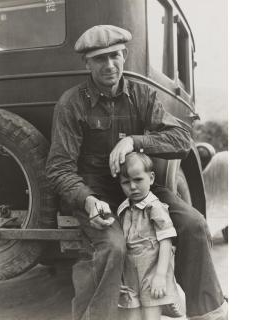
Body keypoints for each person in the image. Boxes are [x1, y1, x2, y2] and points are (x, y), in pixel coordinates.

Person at [46, 25, 227, 320]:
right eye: (100, 59)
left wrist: (135, 140)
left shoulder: (141, 95)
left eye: (115, 56)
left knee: (193, 224)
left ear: (124, 55)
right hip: (96, 193)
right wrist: (88, 201)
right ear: (87, 63)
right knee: (113, 247)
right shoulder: (72, 103)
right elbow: (59, 168)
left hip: (140, 188)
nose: (109, 65)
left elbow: (182, 140)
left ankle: (210, 312)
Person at [117, 152, 185, 320]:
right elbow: (120, 245)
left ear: (151, 178)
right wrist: (118, 277)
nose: (132, 187)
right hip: (129, 275)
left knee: (151, 315)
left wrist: (160, 276)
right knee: (131, 316)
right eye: (126, 182)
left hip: (152, 272)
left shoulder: (155, 208)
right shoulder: (123, 209)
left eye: (138, 180)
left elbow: (166, 240)